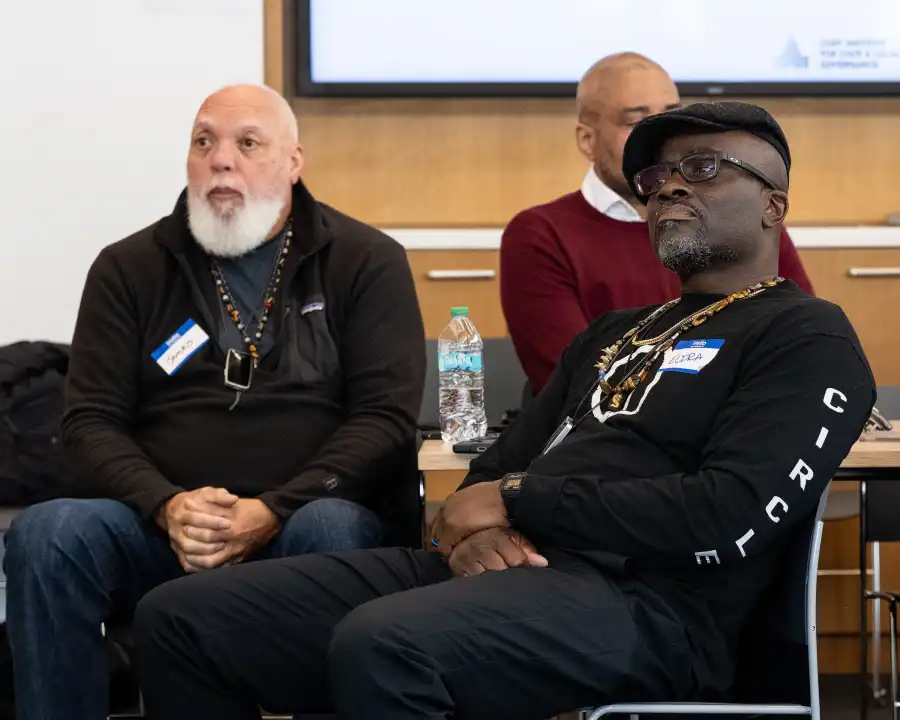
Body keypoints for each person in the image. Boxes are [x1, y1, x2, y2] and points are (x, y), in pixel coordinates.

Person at [132, 101, 875, 720]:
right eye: (656, 175)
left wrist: (519, 501)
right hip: (516, 572)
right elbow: (492, 469)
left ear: (775, 206)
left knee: (386, 646)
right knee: (180, 618)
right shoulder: (615, 333)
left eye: (704, 168)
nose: (669, 187)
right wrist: (472, 537)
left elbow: (725, 514)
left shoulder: (803, 334)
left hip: (652, 606)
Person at [2, 84, 425, 720]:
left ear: (293, 161)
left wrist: (275, 509)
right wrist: (166, 504)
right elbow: (89, 422)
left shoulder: (364, 261)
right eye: (205, 142)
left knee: (333, 525)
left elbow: (386, 420)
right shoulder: (129, 267)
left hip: (302, 522)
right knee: (48, 532)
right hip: (159, 526)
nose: (221, 160)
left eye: (247, 143)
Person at [501, 53, 814, 394]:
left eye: (672, 115)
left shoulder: (741, 217)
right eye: (636, 122)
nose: (660, 134)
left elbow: (802, 343)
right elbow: (576, 385)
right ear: (587, 140)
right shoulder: (541, 234)